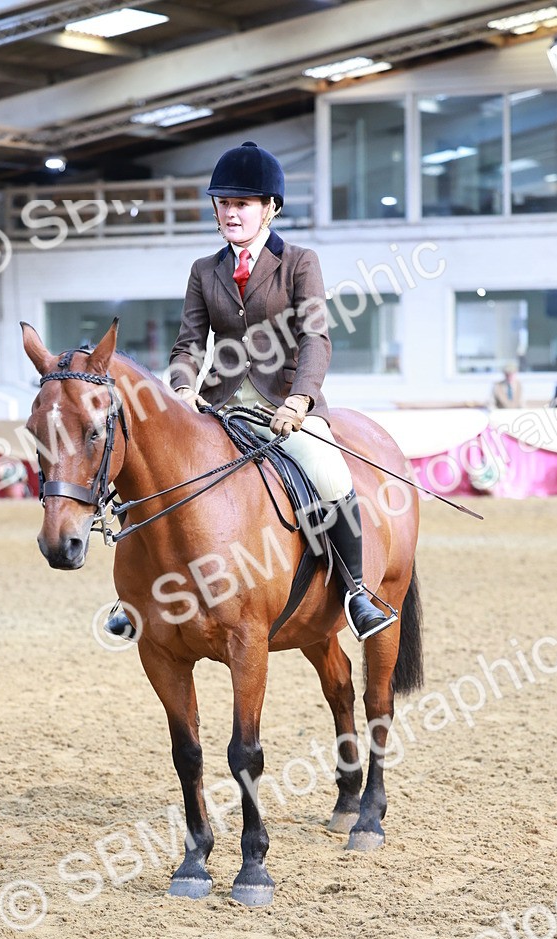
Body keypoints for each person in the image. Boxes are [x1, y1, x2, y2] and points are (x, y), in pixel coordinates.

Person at [107, 141, 396, 642]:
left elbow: (315, 339)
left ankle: (356, 593)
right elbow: (189, 343)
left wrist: (299, 401)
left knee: (329, 473)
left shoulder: (299, 262)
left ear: (270, 209)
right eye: (223, 203)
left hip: (287, 407)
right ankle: (135, 594)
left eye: (242, 204)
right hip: (218, 407)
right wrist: (180, 386)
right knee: (154, 470)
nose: (230, 212)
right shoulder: (204, 270)